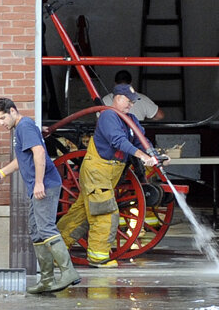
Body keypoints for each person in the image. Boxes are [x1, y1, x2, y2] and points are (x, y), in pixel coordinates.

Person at [57, 83, 160, 266]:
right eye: (129, 101)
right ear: (117, 98)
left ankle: (54, 250)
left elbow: (141, 139)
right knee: (104, 213)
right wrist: (142, 156)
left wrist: (154, 154)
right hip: (98, 171)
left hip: (108, 174)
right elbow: (118, 141)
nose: (131, 105)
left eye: (133, 102)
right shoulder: (108, 116)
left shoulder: (130, 119)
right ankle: (99, 256)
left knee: (80, 213)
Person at [0, 97, 78, 294]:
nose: (1, 123)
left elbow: (39, 153)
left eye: (3, 118)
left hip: (44, 185)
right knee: (36, 230)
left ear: (13, 111)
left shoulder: (25, 126)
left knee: (46, 228)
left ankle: (68, 272)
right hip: (37, 186)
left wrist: (39, 182)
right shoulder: (20, 128)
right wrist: (2, 172)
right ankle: (46, 280)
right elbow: (23, 159)